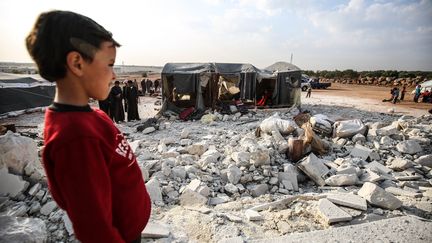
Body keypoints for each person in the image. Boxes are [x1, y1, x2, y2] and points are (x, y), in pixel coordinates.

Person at [26, 10, 150, 243]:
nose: (114, 75)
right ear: (77, 63)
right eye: (110, 64)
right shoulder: (76, 137)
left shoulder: (90, 116)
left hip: (130, 227)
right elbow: (94, 227)